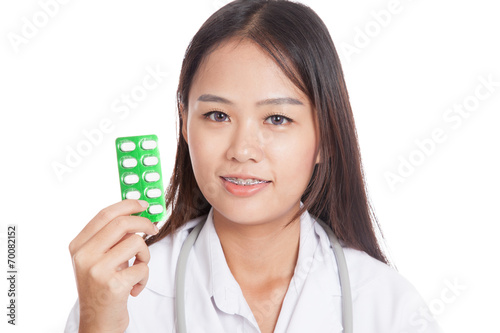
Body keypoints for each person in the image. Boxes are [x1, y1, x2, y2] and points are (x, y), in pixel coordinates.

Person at [65, 0, 443, 332]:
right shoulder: (121, 294)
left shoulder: (387, 306)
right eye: (217, 115)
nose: (243, 150)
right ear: (184, 122)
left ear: (325, 137)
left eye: (277, 119)